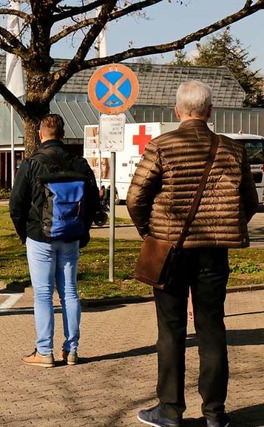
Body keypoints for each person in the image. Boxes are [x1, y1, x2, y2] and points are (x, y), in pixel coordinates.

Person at [127, 81, 258, 427]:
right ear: (210, 111)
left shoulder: (162, 146)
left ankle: (170, 411)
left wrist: (150, 234)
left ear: (178, 112)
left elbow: (135, 198)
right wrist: (224, 229)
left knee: (170, 330)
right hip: (213, 255)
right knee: (212, 329)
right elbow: (251, 203)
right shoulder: (233, 150)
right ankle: (215, 413)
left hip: (170, 253)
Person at [9, 114, 99, 368]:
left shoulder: (31, 164)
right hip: (70, 235)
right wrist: (83, 230)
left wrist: (23, 232)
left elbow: (16, 204)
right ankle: (71, 350)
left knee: (44, 294)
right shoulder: (79, 163)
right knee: (69, 292)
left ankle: (44, 351)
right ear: (62, 133)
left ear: (40, 133)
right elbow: (92, 202)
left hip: (40, 236)